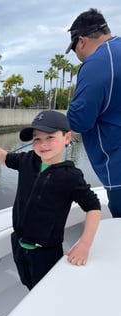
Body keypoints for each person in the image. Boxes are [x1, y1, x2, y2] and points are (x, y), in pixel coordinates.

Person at [0, 110, 101, 290]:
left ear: (67, 137)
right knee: (27, 283)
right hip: (18, 244)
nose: (43, 144)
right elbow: (5, 159)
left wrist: (84, 244)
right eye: (37, 139)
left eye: (50, 137)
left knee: (45, 290)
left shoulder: (71, 177)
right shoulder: (27, 160)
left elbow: (93, 207)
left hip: (45, 253)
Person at [65, 8, 121, 217]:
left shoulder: (97, 62)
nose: (77, 55)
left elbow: (78, 121)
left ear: (81, 41)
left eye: (74, 49)